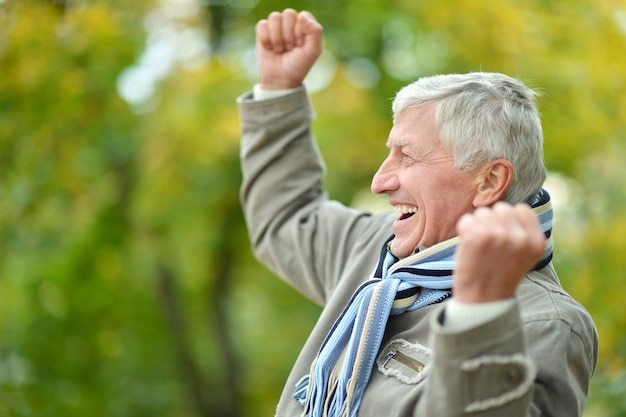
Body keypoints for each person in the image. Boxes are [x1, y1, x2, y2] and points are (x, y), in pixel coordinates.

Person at [237, 8, 598, 417]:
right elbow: (287, 219)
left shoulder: (544, 322)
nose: (380, 181)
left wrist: (482, 315)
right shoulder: (376, 250)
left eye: (406, 156)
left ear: (489, 180)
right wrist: (280, 89)